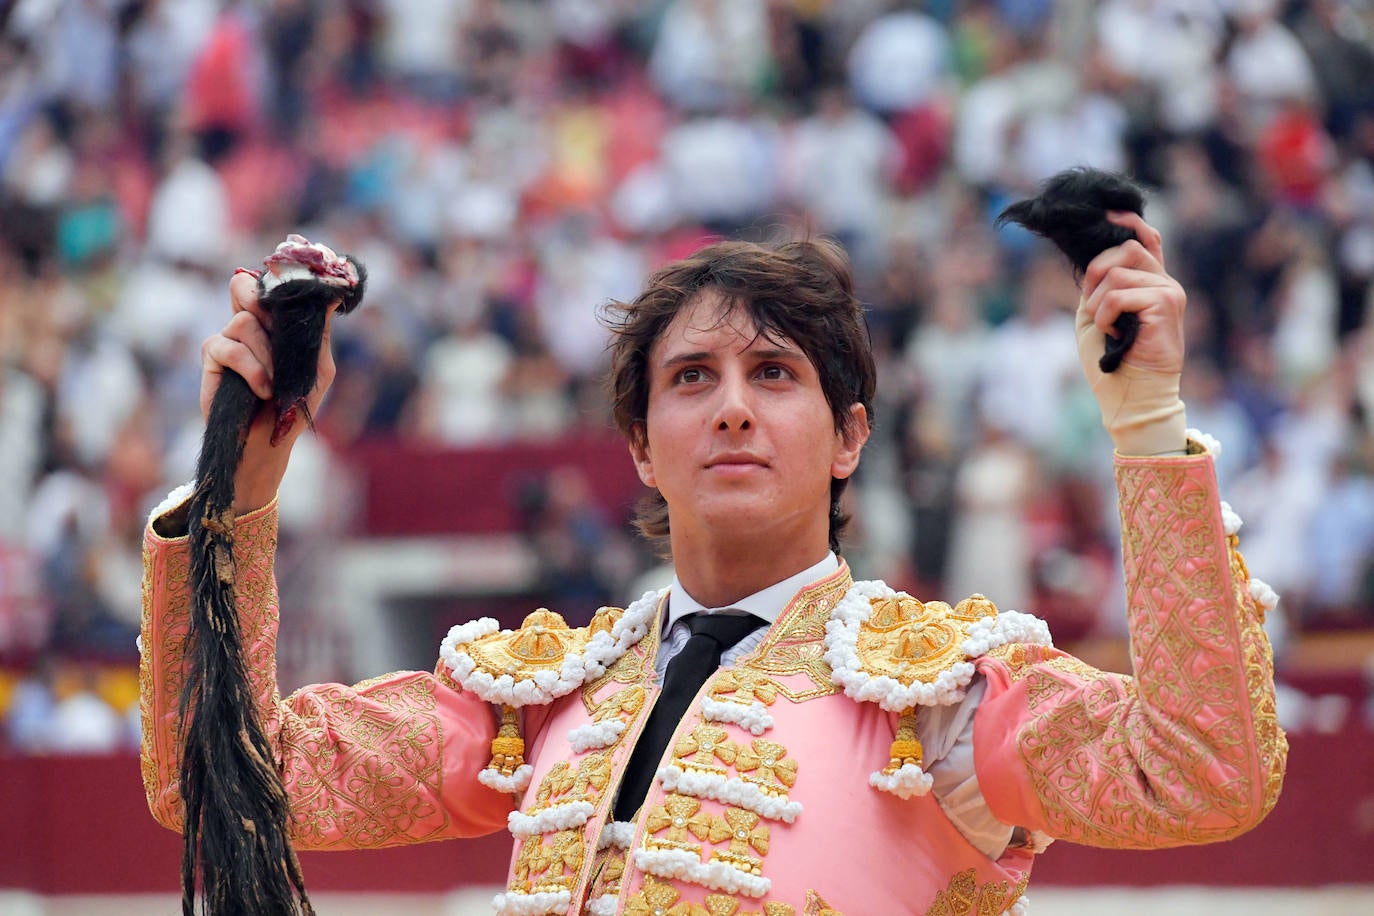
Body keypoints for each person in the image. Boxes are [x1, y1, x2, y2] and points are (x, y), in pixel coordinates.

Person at [139, 218, 1286, 915]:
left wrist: (1148, 433)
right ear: (641, 444)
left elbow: (1199, 771)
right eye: (692, 379)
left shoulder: (934, 702)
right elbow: (226, 779)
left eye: (775, 375)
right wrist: (239, 491)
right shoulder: (553, 702)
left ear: (849, 438)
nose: (733, 409)